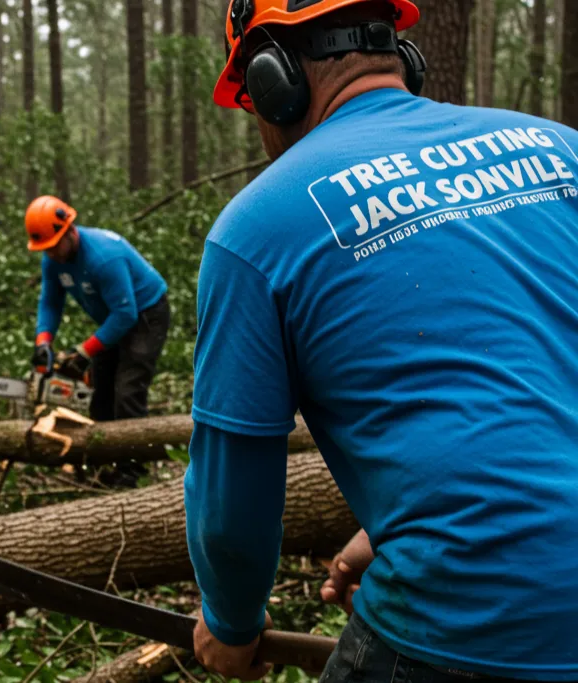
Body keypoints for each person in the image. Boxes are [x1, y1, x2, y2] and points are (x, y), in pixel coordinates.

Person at [183, 0, 578, 681]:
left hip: (480, 616)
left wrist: (230, 620)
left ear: (275, 78)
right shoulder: (561, 148)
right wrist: (405, 520)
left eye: (250, 95)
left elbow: (232, 502)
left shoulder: (255, 231)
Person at [26, 195, 171, 487]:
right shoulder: (53, 260)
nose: (51, 254)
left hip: (144, 315)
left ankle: (132, 470)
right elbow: (50, 302)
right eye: (46, 249)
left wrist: (84, 351)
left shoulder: (104, 258)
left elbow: (126, 314)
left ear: (69, 230)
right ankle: (104, 463)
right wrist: (44, 341)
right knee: (101, 394)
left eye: (54, 246)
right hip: (114, 318)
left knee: (127, 392)